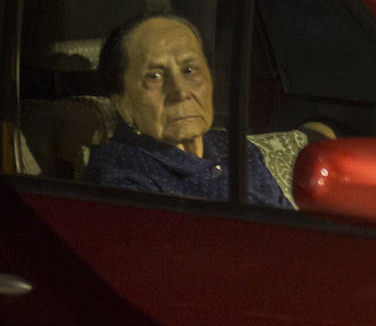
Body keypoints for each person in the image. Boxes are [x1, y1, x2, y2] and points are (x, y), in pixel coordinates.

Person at [84, 13, 293, 206]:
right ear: (123, 103)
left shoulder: (234, 148)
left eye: (189, 70)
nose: (180, 92)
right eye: (154, 76)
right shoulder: (121, 178)